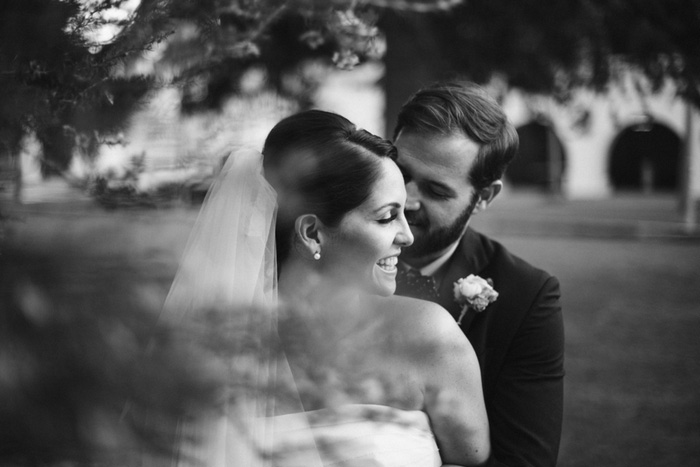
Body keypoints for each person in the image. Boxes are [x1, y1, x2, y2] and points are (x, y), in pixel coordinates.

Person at [162, 109, 491, 466]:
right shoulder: (211, 350)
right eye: (385, 217)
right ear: (312, 233)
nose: (407, 236)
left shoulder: (429, 338)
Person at [392, 81, 565, 467]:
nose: (407, 199)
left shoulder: (527, 295)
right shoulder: (326, 253)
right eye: (400, 172)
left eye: (436, 191)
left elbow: (524, 461)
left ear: (484, 197)